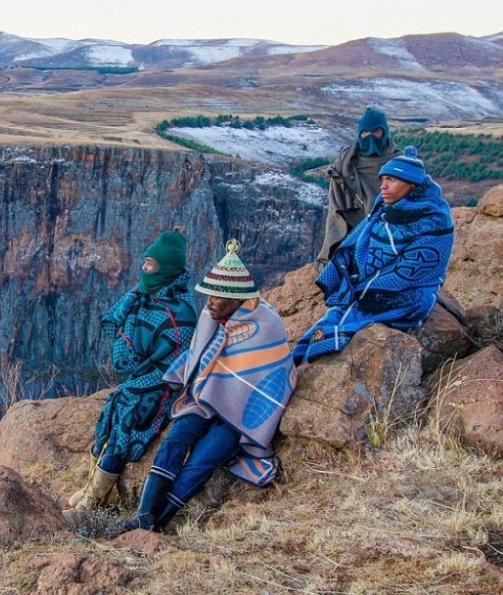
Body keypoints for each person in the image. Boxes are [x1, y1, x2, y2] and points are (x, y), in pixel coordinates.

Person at [122, 240, 296, 532]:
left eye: (216, 296)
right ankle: (143, 515)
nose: (209, 302)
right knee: (176, 439)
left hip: (240, 415)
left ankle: (159, 523)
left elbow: (270, 375)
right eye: (209, 295)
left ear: (236, 297)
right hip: (204, 398)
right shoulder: (211, 318)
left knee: (202, 460)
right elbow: (200, 360)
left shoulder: (264, 325)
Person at [63, 230, 198, 518]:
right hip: (141, 377)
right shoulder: (144, 298)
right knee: (111, 413)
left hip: (163, 386)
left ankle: (92, 504)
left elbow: (175, 363)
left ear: (167, 268)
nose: (144, 269)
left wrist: (141, 382)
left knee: (126, 419)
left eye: (151, 264)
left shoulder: (182, 312)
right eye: (145, 262)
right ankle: (92, 488)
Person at [294, 147, 454, 365]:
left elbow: (416, 271)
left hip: (406, 295)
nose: (383, 186)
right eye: (383, 179)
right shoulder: (384, 210)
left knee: (347, 319)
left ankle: (310, 363)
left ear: (412, 185)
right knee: (328, 321)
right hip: (368, 287)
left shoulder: (435, 221)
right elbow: (357, 246)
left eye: (391, 179)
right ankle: (298, 360)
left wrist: (367, 289)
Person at [317, 107, 400, 268]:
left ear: (384, 131)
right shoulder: (346, 161)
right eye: (365, 132)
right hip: (354, 224)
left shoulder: (399, 161)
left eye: (376, 131)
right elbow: (338, 199)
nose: (370, 137)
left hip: (391, 226)